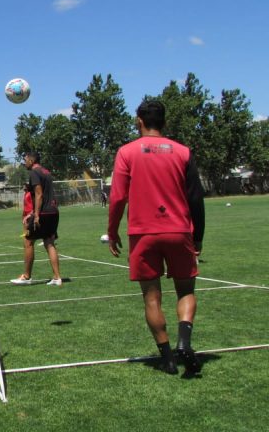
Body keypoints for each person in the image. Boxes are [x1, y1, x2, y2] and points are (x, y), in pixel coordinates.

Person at [107, 100, 205, 376]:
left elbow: (117, 198)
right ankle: (184, 342)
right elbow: (196, 197)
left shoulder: (126, 152)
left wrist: (113, 230)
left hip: (143, 233)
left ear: (139, 120)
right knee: (186, 291)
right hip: (178, 231)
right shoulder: (183, 152)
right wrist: (198, 235)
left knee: (152, 298)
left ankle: (168, 358)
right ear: (164, 122)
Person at [11, 152, 63, 286]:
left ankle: (27, 276)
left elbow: (39, 194)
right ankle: (57, 278)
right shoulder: (46, 172)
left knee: (28, 241)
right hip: (53, 211)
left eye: (26, 159)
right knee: (49, 243)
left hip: (43, 213)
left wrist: (36, 214)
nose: (24, 162)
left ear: (32, 160)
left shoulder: (34, 172)